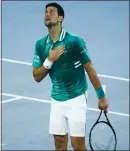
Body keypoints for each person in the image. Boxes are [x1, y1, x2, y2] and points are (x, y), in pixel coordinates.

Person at [32, 2, 108, 151]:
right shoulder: (40, 45)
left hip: (77, 97)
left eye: (52, 12)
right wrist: (49, 60)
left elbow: (89, 68)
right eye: (46, 12)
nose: (47, 14)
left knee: (77, 145)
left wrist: (101, 96)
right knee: (59, 143)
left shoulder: (74, 41)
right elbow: (36, 76)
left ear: (60, 18)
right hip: (56, 99)